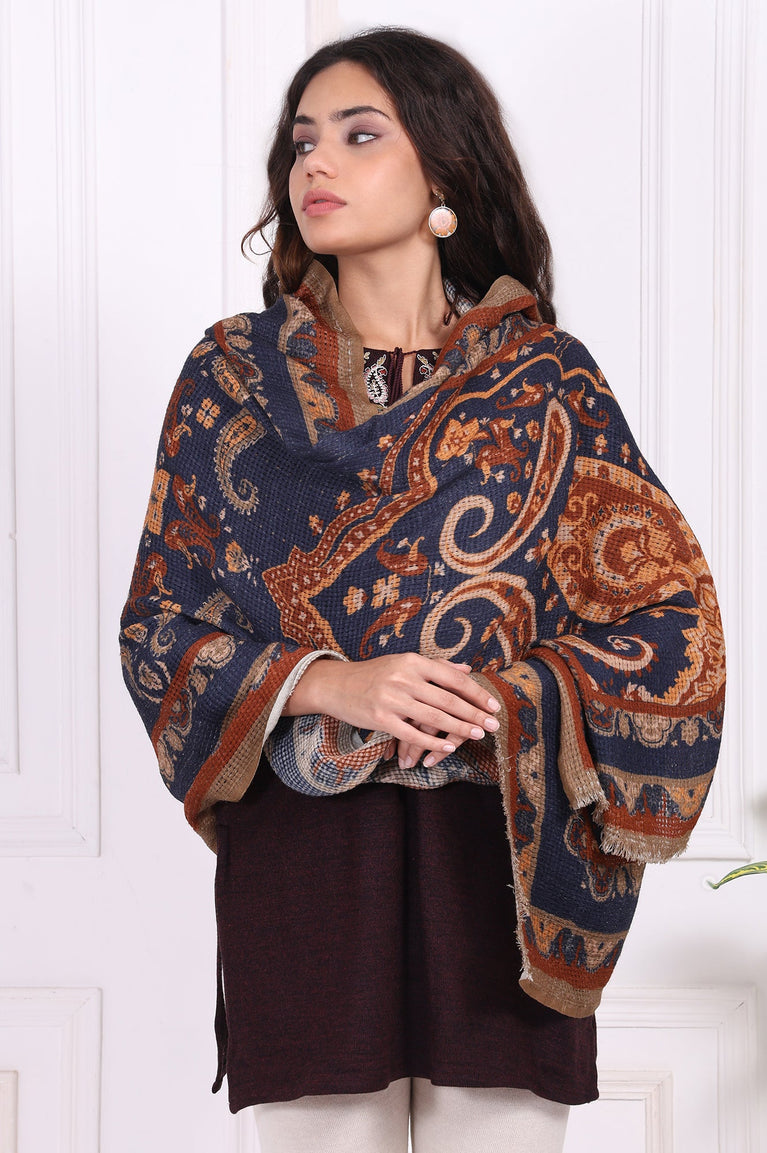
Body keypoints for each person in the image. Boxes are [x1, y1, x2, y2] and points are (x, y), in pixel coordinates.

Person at [119, 26, 725, 1153]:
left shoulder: (545, 380)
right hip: (304, 846)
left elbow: (667, 618)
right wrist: (328, 682)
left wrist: (514, 692)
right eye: (301, 140)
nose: (314, 162)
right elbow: (158, 625)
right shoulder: (230, 377)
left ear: (442, 169)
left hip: (502, 847)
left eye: (359, 134)